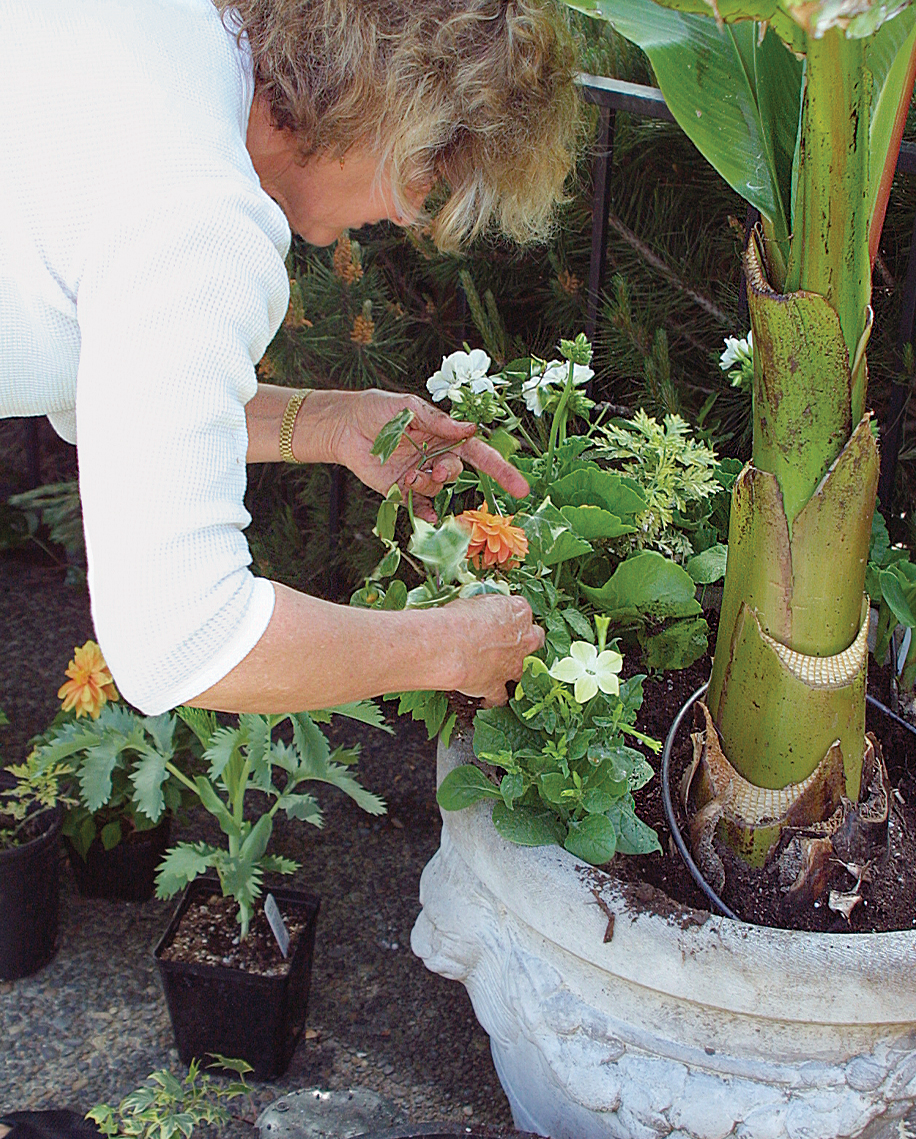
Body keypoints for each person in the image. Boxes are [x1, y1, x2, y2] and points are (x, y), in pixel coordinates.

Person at [0, 0, 581, 714]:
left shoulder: (172, 33)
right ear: (390, 103)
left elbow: (113, 408)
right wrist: (454, 647)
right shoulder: (203, 215)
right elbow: (186, 640)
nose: (408, 213)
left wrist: (331, 423)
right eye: (432, 166)